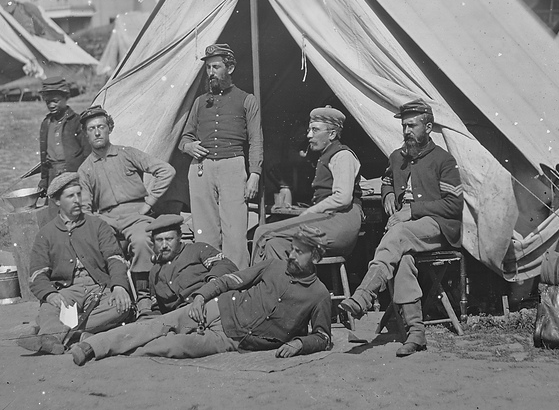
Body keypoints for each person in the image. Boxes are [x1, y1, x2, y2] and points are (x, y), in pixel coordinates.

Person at [67, 226, 332, 366]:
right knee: (158, 324)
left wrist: (300, 344)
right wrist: (200, 298)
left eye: (299, 252)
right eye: (292, 249)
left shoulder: (319, 295)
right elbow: (231, 279)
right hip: (219, 308)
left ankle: (109, 346)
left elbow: (322, 337)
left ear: (316, 257)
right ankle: (93, 346)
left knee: (172, 347)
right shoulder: (273, 266)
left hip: (231, 339)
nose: (291, 255)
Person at [338, 99, 464, 357]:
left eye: (412, 125)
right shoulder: (397, 157)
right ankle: (416, 333)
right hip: (404, 235)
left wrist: (412, 211)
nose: (407, 131)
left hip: (435, 228)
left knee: (399, 234)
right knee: (403, 257)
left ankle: (364, 295)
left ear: (428, 127)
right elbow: (387, 180)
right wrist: (386, 195)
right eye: (404, 126)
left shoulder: (444, 160)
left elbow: (454, 205)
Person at [18, 172, 135, 356]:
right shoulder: (46, 234)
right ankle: (74, 335)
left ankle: (57, 335)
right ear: (57, 201)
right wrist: (50, 294)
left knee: (120, 308)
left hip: (99, 287)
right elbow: (37, 274)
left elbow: (115, 258)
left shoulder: (97, 225)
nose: (77, 200)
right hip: (67, 290)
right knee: (48, 307)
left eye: (79, 194)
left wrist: (119, 286)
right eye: (70, 196)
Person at [77, 106, 176, 306]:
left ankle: (144, 296)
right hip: (106, 219)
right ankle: (109, 297)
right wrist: (101, 221)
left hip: (136, 215)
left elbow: (166, 170)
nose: (97, 132)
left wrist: (149, 202)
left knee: (141, 240)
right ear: (86, 135)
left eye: (101, 126)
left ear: (109, 128)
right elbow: (86, 210)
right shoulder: (85, 169)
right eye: (91, 129)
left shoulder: (127, 154)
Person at [178, 43, 264, 268]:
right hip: (201, 169)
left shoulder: (247, 100)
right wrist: (189, 147)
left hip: (233, 167)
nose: (211, 73)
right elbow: (184, 138)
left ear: (231, 68)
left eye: (216, 67)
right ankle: (210, 281)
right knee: (205, 232)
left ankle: (237, 282)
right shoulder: (199, 102)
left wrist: (254, 173)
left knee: (235, 233)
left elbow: (256, 139)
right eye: (208, 68)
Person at [250, 106, 363, 264]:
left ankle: (252, 286)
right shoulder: (324, 156)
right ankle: (280, 287)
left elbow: (343, 198)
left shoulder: (342, 155)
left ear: (332, 134)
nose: (309, 135)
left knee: (262, 232)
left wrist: (310, 212)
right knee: (274, 245)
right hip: (329, 220)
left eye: (315, 130)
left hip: (341, 223)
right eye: (309, 130)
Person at [146, 213, 240, 313]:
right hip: (180, 318)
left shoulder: (197, 250)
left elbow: (226, 266)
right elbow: (157, 308)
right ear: (153, 242)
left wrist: (207, 291)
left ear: (179, 237)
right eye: (159, 240)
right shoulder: (154, 272)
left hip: (209, 305)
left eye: (169, 239)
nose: (164, 245)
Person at [36, 77, 90, 220]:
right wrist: (44, 180)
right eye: (48, 101)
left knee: (76, 210)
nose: (51, 104)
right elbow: (44, 157)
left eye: (55, 100)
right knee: (55, 214)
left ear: (66, 98)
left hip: (74, 174)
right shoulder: (46, 124)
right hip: (53, 174)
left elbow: (87, 153)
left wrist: (85, 178)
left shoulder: (77, 122)